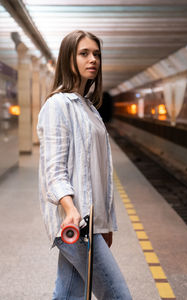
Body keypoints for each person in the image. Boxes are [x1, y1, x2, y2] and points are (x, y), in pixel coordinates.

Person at [37, 30, 132, 300]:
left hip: (92, 223)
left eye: (97, 54)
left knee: (68, 294)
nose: (93, 59)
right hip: (76, 224)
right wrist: (70, 210)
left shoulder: (89, 109)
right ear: (68, 59)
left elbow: (100, 174)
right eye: (84, 53)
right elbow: (53, 171)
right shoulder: (58, 105)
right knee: (118, 296)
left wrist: (105, 224)